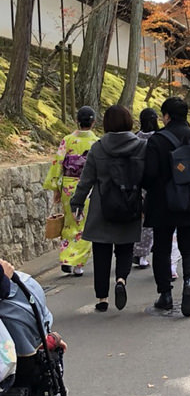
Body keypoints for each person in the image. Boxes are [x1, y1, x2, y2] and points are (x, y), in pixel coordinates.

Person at [142, 96, 190, 316]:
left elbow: (148, 175)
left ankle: (165, 295)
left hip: (162, 204)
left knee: (162, 249)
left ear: (166, 116)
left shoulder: (156, 140)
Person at [70, 104, 146, 313]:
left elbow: (86, 180)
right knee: (125, 248)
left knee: (101, 252)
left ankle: (102, 298)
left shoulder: (98, 147)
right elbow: (147, 178)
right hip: (130, 204)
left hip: (102, 206)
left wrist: (76, 202)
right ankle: (121, 279)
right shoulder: (141, 146)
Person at [43, 105, 99, 276]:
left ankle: (67, 257)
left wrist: (56, 188)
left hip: (68, 185)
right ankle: (78, 264)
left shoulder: (67, 140)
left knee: (70, 221)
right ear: (93, 122)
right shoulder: (96, 142)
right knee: (84, 223)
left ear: (77, 121)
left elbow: (58, 163)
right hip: (88, 186)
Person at [133, 107, 159, 269]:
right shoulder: (159, 138)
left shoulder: (135, 137)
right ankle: (143, 255)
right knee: (150, 223)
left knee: (138, 220)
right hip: (154, 183)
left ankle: (134, 252)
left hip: (136, 182)